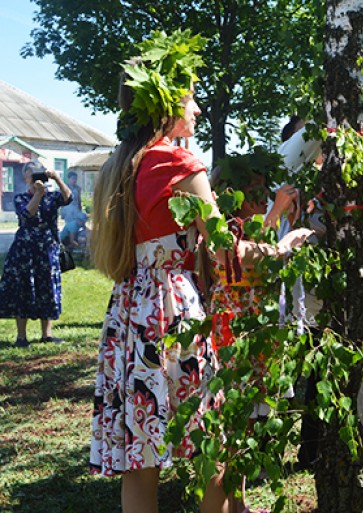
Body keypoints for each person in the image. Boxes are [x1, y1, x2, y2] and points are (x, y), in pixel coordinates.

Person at [87, 30, 311, 513]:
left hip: (130, 313)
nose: (198, 109)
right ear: (167, 102)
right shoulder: (179, 161)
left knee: (140, 455)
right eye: (190, 97)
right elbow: (226, 253)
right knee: (214, 441)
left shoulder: (121, 164)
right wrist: (283, 247)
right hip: (173, 312)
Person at [0, 161, 71, 347]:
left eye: (39, 173)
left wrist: (57, 178)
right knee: (23, 288)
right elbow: (27, 215)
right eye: (33, 175)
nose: (37, 178)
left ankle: (47, 335)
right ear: (26, 177)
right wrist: (38, 194)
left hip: (47, 248)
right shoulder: (20, 198)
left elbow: (68, 198)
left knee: (48, 288)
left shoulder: (52, 196)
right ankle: (21, 337)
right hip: (24, 250)